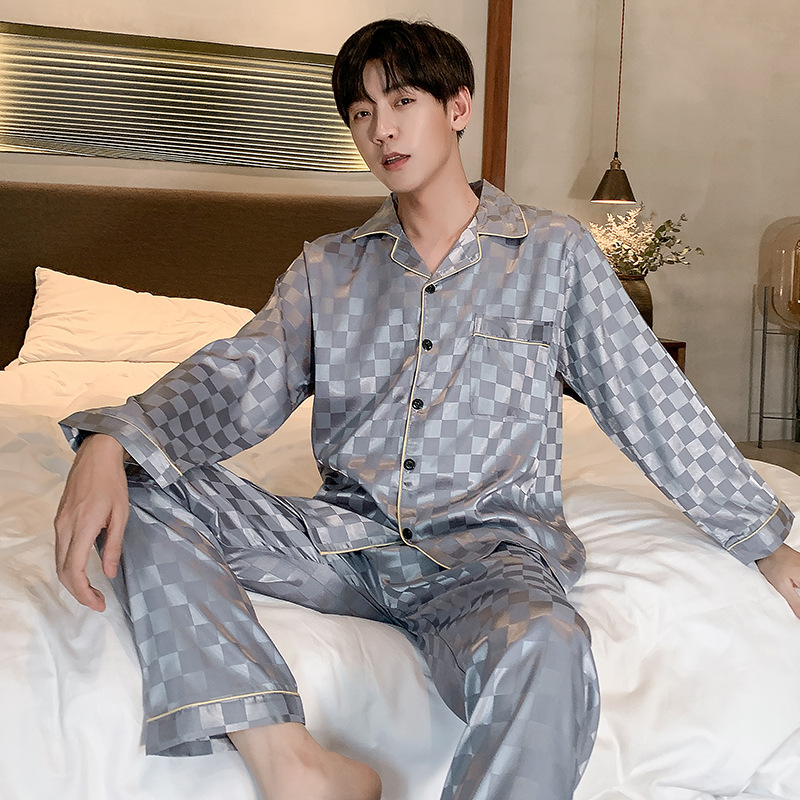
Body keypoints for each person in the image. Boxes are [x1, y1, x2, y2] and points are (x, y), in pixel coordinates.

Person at [54, 18, 800, 800]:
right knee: (137, 480)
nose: (382, 129)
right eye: (361, 113)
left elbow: (649, 396)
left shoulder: (554, 254)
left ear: (458, 107)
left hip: (489, 559)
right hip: (345, 544)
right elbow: (240, 381)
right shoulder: (327, 268)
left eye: (402, 101)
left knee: (548, 645)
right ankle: (290, 759)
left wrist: (762, 539)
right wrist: (113, 441)